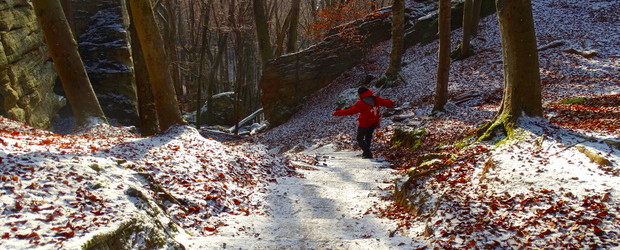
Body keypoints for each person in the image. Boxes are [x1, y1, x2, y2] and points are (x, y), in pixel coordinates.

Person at [332, 87, 394, 159]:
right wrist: (392, 102)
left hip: (364, 123)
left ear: (360, 94)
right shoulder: (375, 98)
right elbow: (385, 102)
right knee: (368, 136)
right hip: (374, 121)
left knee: (359, 138)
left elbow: (350, 111)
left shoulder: (361, 103)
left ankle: (368, 154)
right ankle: (366, 153)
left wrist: (337, 112)